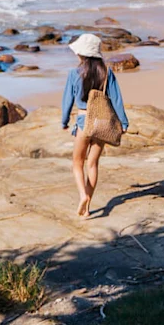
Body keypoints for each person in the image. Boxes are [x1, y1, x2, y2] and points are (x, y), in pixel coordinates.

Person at [61, 33, 129, 218]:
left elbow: (67, 100)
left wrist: (64, 121)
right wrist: (123, 122)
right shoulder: (107, 73)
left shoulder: (74, 73)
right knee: (92, 163)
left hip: (83, 122)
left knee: (77, 163)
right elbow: (116, 99)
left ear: (81, 54)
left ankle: (82, 196)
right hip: (102, 122)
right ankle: (88, 206)